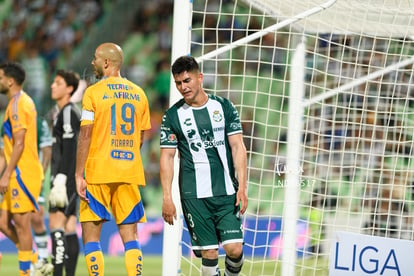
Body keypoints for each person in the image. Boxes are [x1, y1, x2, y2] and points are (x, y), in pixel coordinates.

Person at [160, 56, 248, 276]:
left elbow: (238, 147)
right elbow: (167, 157)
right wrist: (167, 197)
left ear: (200, 78)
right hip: (194, 195)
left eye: (187, 81)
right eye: (178, 83)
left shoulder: (224, 106)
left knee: (234, 249)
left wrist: (243, 188)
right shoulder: (172, 116)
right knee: (208, 254)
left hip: (226, 191)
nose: (183, 87)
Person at [75, 42, 151, 276]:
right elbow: (140, 138)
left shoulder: (93, 92)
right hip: (129, 171)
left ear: (106, 62)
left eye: (96, 58)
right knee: (131, 238)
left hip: (99, 171)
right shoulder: (139, 93)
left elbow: (85, 135)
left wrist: (79, 174)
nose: (93, 62)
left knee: (91, 237)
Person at [0, 62, 44, 275]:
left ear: (10, 81)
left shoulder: (18, 105)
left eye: (0, 77)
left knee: (21, 225)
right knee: (3, 221)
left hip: (22, 173)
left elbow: (19, 143)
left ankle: (26, 271)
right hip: (16, 171)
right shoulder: (14, 104)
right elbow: (6, 148)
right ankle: (35, 258)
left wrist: (7, 174)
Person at [48, 69, 81, 276]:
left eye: (58, 82)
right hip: (69, 178)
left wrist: (61, 179)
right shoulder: (63, 112)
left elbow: (71, 148)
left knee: (56, 225)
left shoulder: (69, 112)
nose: (52, 85)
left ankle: (58, 273)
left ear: (69, 89)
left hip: (65, 179)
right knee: (69, 227)